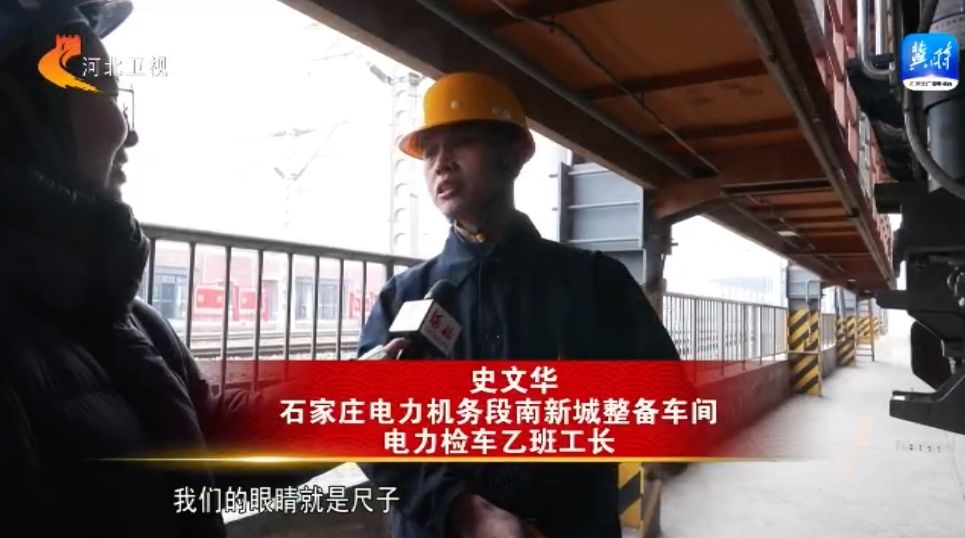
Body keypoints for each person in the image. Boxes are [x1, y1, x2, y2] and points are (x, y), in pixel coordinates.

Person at [0, 2, 313, 536]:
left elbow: (206, 444)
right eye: (105, 91)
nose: (130, 133)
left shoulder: (126, 317)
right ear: (21, 117)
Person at [357, 72, 680, 538]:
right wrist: (463, 511)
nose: (441, 164)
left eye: (461, 142)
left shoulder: (595, 283)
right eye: (429, 152)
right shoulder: (401, 296)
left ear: (512, 155)